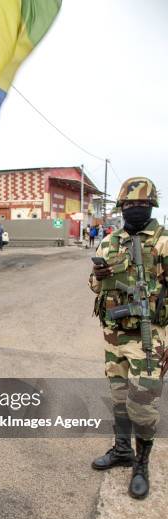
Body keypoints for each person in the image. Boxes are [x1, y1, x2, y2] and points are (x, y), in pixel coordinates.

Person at [89, 177, 168, 499]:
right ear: (121, 207)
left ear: (151, 207)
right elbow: (94, 287)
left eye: (141, 205)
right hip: (114, 337)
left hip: (151, 339)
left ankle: (141, 462)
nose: (135, 210)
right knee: (120, 399)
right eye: (129, 205)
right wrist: (100, 277)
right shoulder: (109, 243)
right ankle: (122, 450)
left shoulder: (164, 243)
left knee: (144, 407)